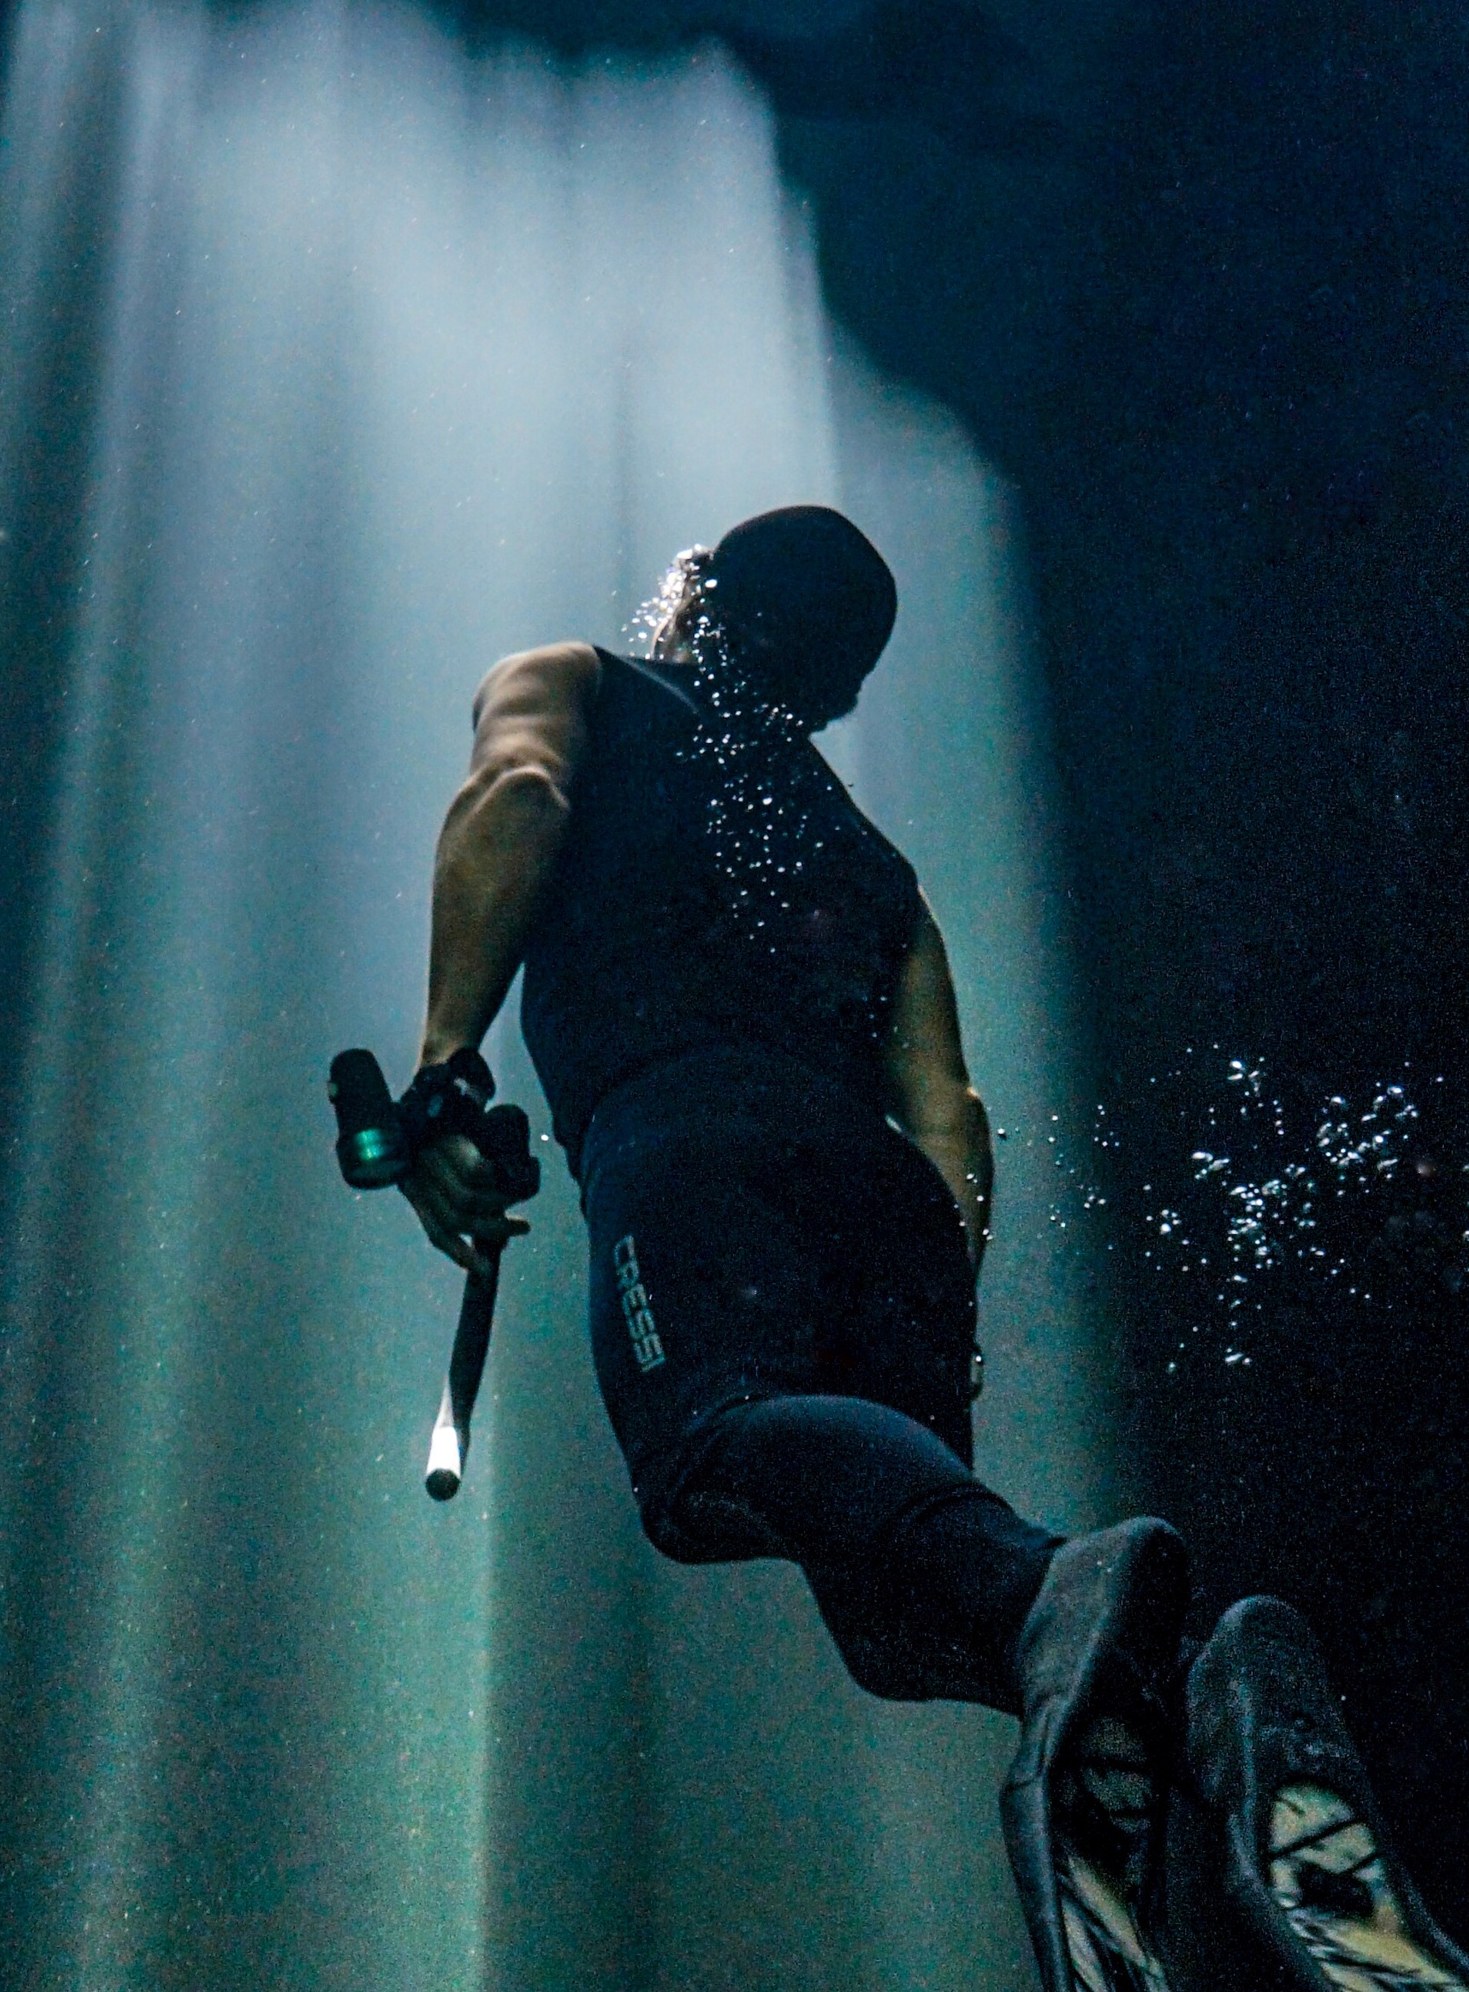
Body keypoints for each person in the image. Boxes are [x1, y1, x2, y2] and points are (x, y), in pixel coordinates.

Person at [395, 501, 1185, 1759]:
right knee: (902, 1625)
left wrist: (444, 1062)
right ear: (836, 687)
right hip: (898, 1207)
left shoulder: (579, 682)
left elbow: (518, 789)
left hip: (688, 1139)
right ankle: (1184, 1696)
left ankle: (1062, 1587)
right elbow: (950, 1113)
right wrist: (925, 1297)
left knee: (704, 1446)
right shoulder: (882, 872)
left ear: (700, 595)